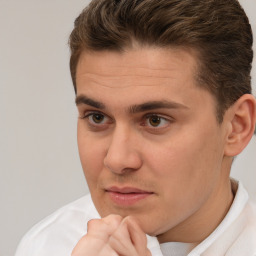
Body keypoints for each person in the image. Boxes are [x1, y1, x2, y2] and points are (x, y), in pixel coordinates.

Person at [15, 0, 256, 255]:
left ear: (236, 127)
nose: (117, 160)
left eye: (155, 120)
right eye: (97, 117)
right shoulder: (46, 245)